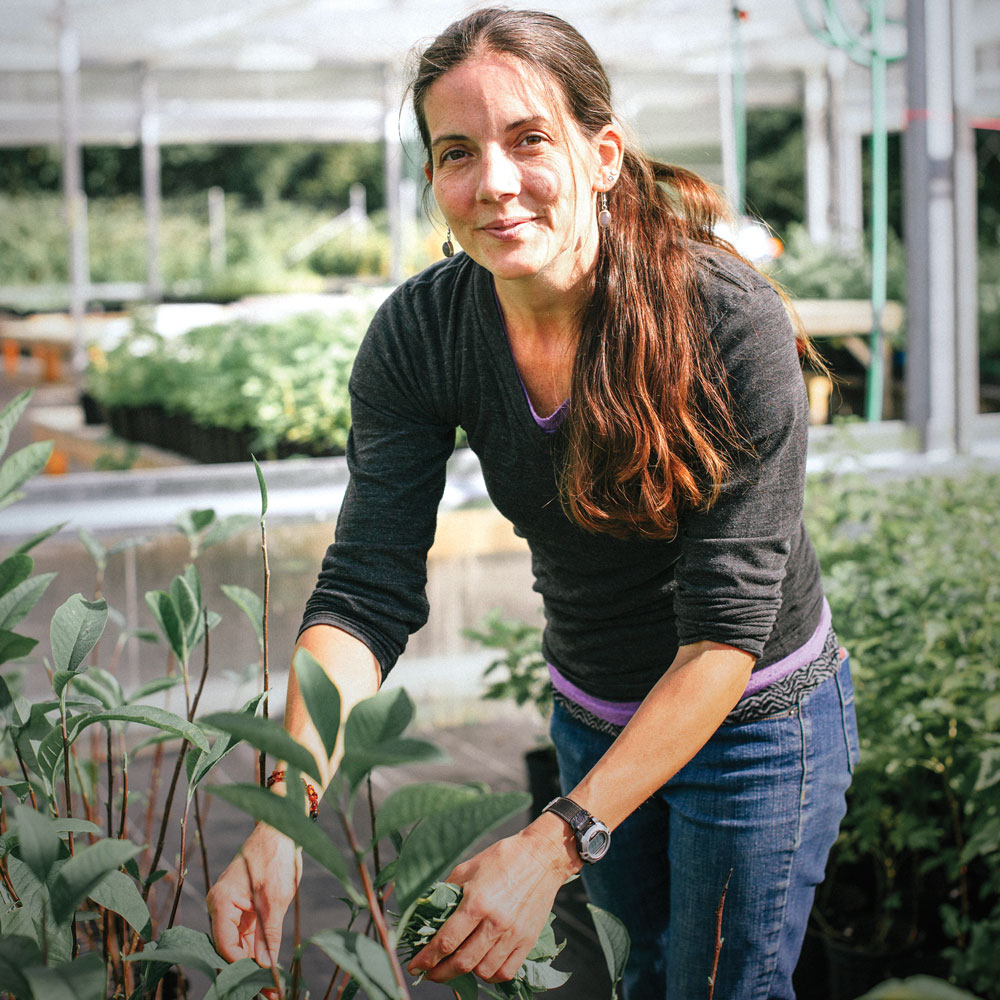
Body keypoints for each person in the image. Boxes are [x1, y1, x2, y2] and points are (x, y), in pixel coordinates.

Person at [207, 8, 859, 998]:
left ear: (601, 154)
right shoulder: (422, 333)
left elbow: (726, 628)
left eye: (528, 140)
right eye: (457, 151)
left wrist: (558, 838)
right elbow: (365, 586)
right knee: (638, 979)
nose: (494, 182)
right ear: (431, 177)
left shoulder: (724, 319)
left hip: (755, 720)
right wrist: (281, 823)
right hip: (593, 713)